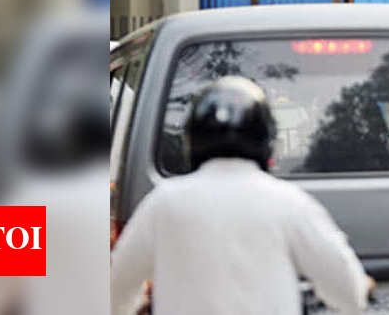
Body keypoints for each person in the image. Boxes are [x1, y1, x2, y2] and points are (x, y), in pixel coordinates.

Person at [111, 76, 372, 315]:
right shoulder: (288, 201)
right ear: (266, 139)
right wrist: (360, 291)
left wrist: (134, 306)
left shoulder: (164, 202)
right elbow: (346, 287)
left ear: (191, 139)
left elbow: (117, 287)